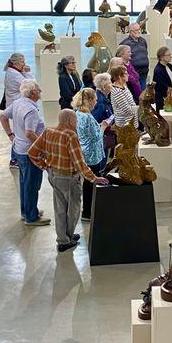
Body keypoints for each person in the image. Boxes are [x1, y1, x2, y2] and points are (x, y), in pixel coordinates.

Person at [28, 109, 109, 252]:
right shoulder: (71, 135)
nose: (77, 123)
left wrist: (45, 166)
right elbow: (79, 162)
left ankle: (63, 237)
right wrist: (94, 178)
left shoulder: (48, 131)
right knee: (73, 209)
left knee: (60, 208)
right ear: (70, 121)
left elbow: (32, 152)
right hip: (69, 179)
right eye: (75, 120)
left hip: (54, 175)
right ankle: (66, 239)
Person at [0, 79, 50, 226]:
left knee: (24, 182)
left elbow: (2, 116)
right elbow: (29, 133)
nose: (40, 92)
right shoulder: (31, 110)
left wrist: (11, 134)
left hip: (19, 149)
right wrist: (42, 147)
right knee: (32, 183)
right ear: (33, 92)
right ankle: (31, 217)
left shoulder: (18, 102)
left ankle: (26, 211)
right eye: (39, 90)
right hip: (29, 152)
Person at [72, 89, 108, 222]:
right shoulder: (87, 116)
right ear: (90, 100)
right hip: (92, 154)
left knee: (87, 183)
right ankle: (88, 212)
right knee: (91, 183)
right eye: (95, 99)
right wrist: (103, 127)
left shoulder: (78, 113)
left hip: (85, 151)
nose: (96, 102)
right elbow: (96, 137)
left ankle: (88, 210)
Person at [2, 52, 34, 168]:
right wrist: (26, 72)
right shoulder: (14, 74)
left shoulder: (14, 72)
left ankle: (16, 158)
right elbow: (31, 85)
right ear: (15, 63)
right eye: (22, 62)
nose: (24, 64)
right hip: (17, 106)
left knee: (19, 131)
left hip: (16, 105)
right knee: (19, 133)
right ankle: (15, 159)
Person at [120, 22, 149, 90]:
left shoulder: (143, 40)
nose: (139, 31)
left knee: (142, 96)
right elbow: (120, 59)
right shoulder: (125, 44)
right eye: (136, 30)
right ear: (130, 32)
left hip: (143, 75)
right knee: (135, 96)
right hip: (132, 77)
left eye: (139, 29)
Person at [153, 46, 172, 112]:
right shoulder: (158, 70)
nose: (171, 56)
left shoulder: (170, 66)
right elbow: (162, 87)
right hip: (164, 100)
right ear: (161, 57)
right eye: (168, 55)